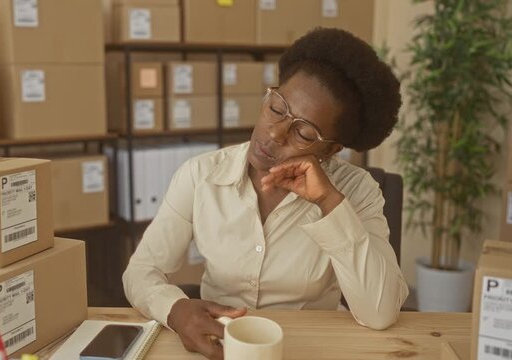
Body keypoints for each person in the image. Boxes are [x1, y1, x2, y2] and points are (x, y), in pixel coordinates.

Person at [122, 27, 409, 360]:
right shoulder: (201, 175)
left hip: (311, 348)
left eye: (302, 132)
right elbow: (141, 272)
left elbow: (380, 312)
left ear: (331, 150)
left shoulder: (356, 191)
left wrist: (328, 203)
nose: (274, 133)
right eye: (277, 108)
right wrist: (174, 309)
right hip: (219, 346)